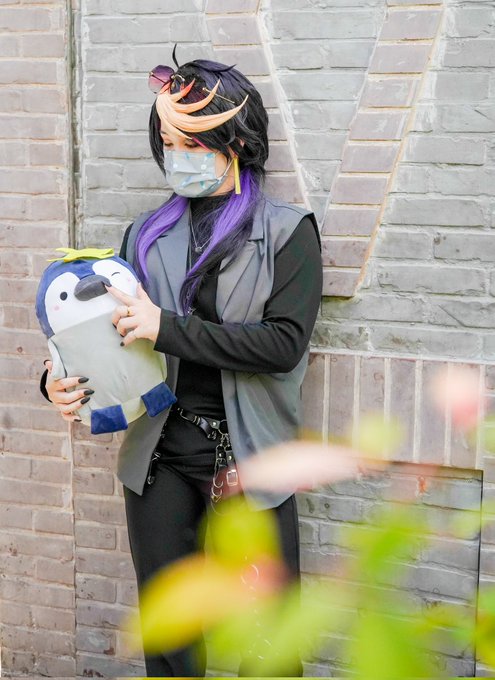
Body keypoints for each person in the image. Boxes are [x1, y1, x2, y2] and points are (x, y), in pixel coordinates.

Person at [41, 48, 323, 677]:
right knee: (170, 644)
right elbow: (106, 334)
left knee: (270, 647)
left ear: (235, 141)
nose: (177, 156)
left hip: (250, 461)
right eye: (168, 142)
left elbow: (283, 345)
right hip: (160, 457)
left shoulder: (287, 232)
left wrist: (166, 327)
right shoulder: (146, 234)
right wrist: (56, 381)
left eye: (191, 141)